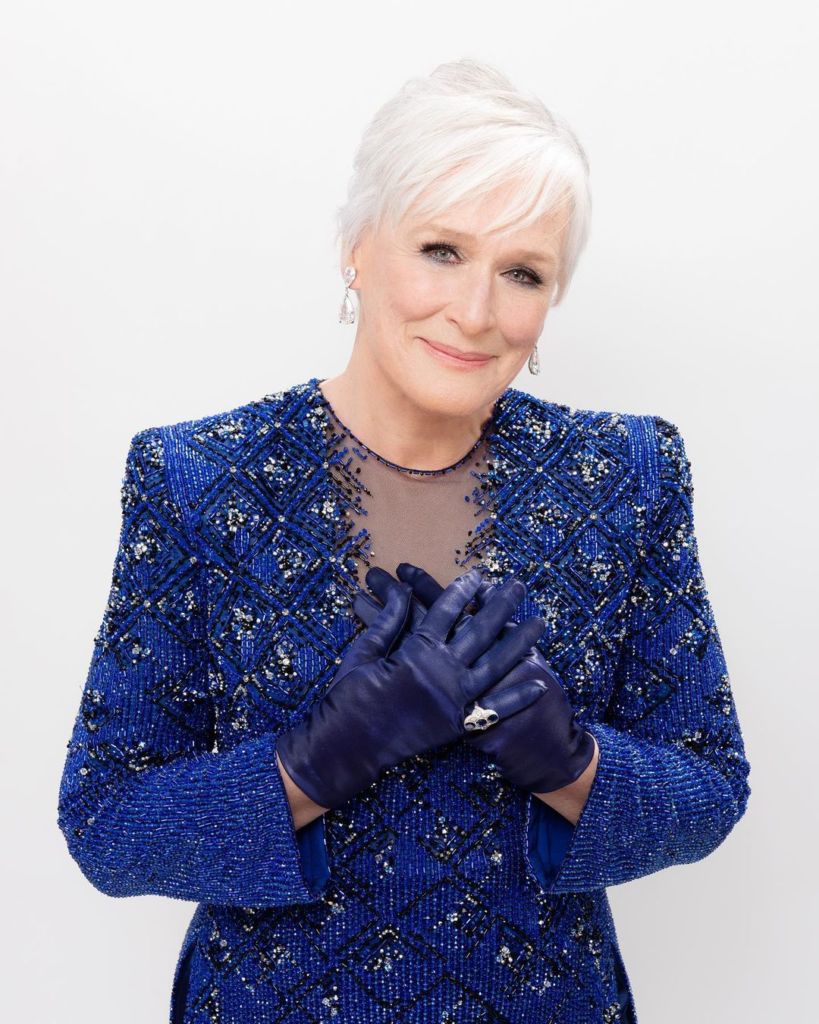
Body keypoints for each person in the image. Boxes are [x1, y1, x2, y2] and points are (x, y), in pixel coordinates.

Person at [56, 58, 751, 1024]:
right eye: (440, 250)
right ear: (356, 248)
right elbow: (106, 822)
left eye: (522, 272)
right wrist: (311, 767)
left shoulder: (627, 473)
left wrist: (571, 765)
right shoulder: (198, 477)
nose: (475, 311)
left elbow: (709, 786)